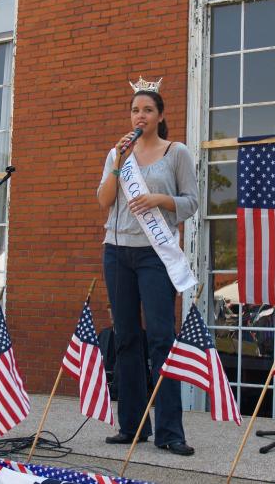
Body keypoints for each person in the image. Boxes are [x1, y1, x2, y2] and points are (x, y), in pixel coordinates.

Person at [97, 77, 198, 456]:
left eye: (147, 110)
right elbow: (104, 200)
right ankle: (133, 425)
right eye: (135, 110)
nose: (140, 115)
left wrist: (159, 198)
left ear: (160, 116)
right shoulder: (117, 153)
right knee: (126, 338)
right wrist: (118, 164)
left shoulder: (177, 153)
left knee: (160, 339)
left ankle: (170, 431)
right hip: (117, 251)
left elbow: (192, 201)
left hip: (155, 254)